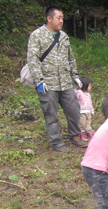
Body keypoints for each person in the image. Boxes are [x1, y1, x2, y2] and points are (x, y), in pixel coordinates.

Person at [27, 5, 87, 152]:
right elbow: (32, 59)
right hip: (48, 84)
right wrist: (39, 80)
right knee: (51, 113)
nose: (61, 21)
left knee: (73, 109)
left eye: (62, 18)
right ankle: (56, 142)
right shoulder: (37, 35)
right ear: (49, 18)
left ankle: (75, 135)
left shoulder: (64, 36)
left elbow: (70, 57)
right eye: (58, 18)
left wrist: (75, 76)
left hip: (65, 82)